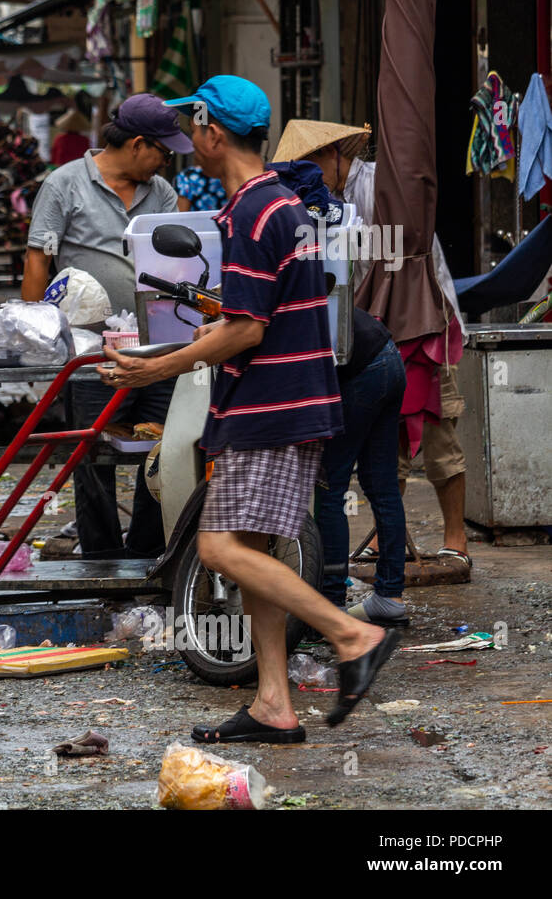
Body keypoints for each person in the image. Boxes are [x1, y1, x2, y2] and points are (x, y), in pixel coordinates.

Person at [102, 76, 397, 740]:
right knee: (255, 549)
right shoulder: (274, 204)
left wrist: (155, 365)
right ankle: (273, 703)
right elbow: (242, 316)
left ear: (210, 130)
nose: (189, 144)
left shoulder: (254, 212)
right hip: (283, 402)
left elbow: (246, 331)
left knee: (220, 547)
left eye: (192, 129)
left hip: (269, 406)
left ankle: (353, 636)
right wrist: (187, 343)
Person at [273, 120, 470, 570]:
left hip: (422, 320)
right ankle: (386, 540)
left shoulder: (381, 184)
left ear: (336, 153)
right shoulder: (322, 202)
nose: (309, 174)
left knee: (440, 435)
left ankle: (456, 538)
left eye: (313, 164)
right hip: (370, 331)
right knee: (386, 445)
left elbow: (388, 254)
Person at [24, 93, 189, 560]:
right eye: (162, 151)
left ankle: (146, 553)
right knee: (90, 454)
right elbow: (39, 258)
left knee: (161, 448)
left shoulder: (161, 194)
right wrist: (38, 342)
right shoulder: (64, 185)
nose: (165, 162)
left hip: (157, 347)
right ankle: (98, 556)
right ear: (138, 144)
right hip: (89, 351)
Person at [314, 306, 410, 625]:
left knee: (329, 487)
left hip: (362, 370)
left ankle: (331, 605)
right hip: (388, 357)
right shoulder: (297, 270)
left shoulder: (270, 282)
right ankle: (390, 596)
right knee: (381, 486)